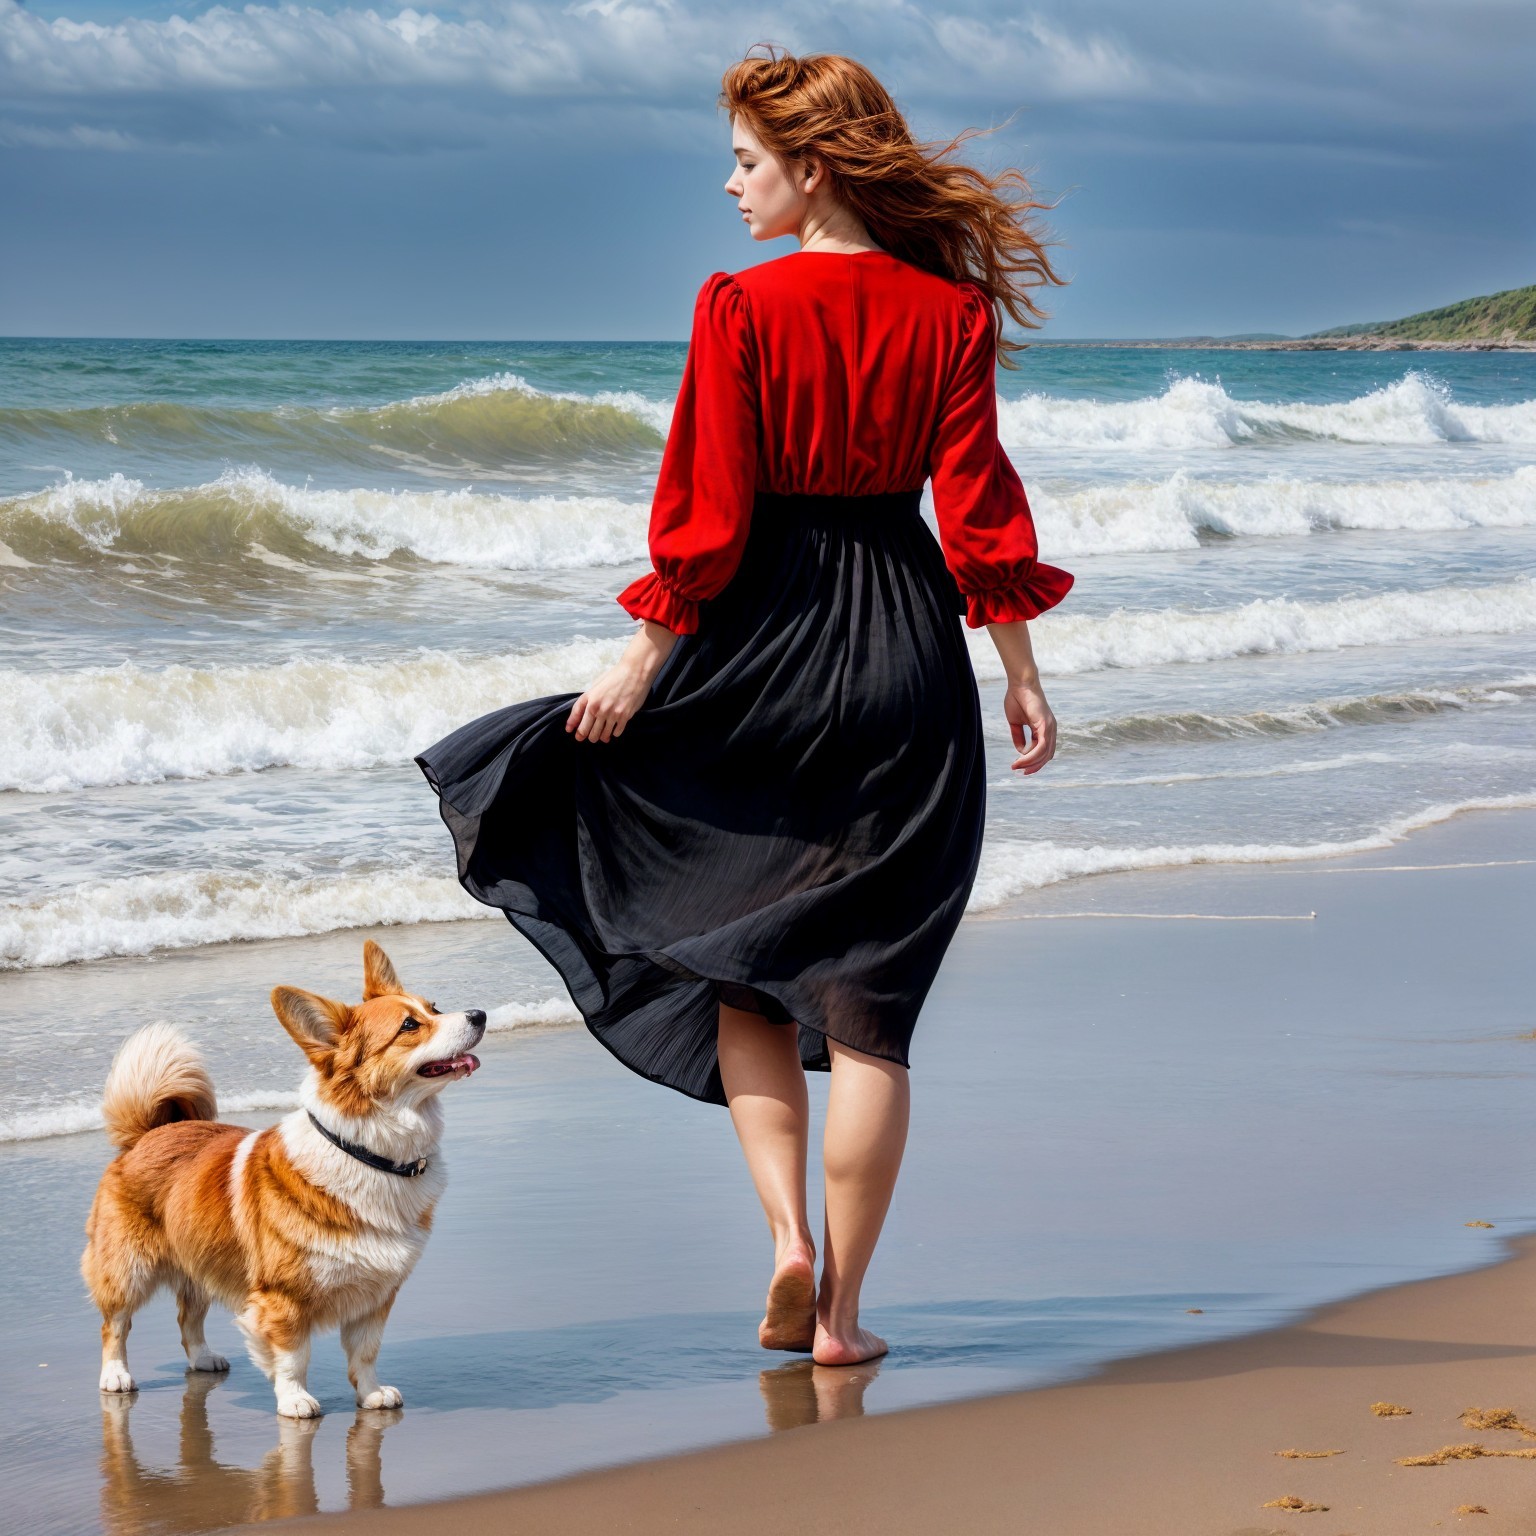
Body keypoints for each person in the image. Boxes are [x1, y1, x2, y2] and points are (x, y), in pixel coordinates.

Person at [415, 45, 1072, 1368]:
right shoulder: (949, 317)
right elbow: (977, 509)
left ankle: (785, 1240)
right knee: (872, 1005)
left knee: (741, 962)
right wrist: (1020, 672)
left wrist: (641, 658)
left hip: (760, 647)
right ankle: (840, 1320)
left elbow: (706, 506)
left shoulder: (740, 308)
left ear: (810, 168)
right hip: (903, 651)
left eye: (747, 162)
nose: (731, 186)